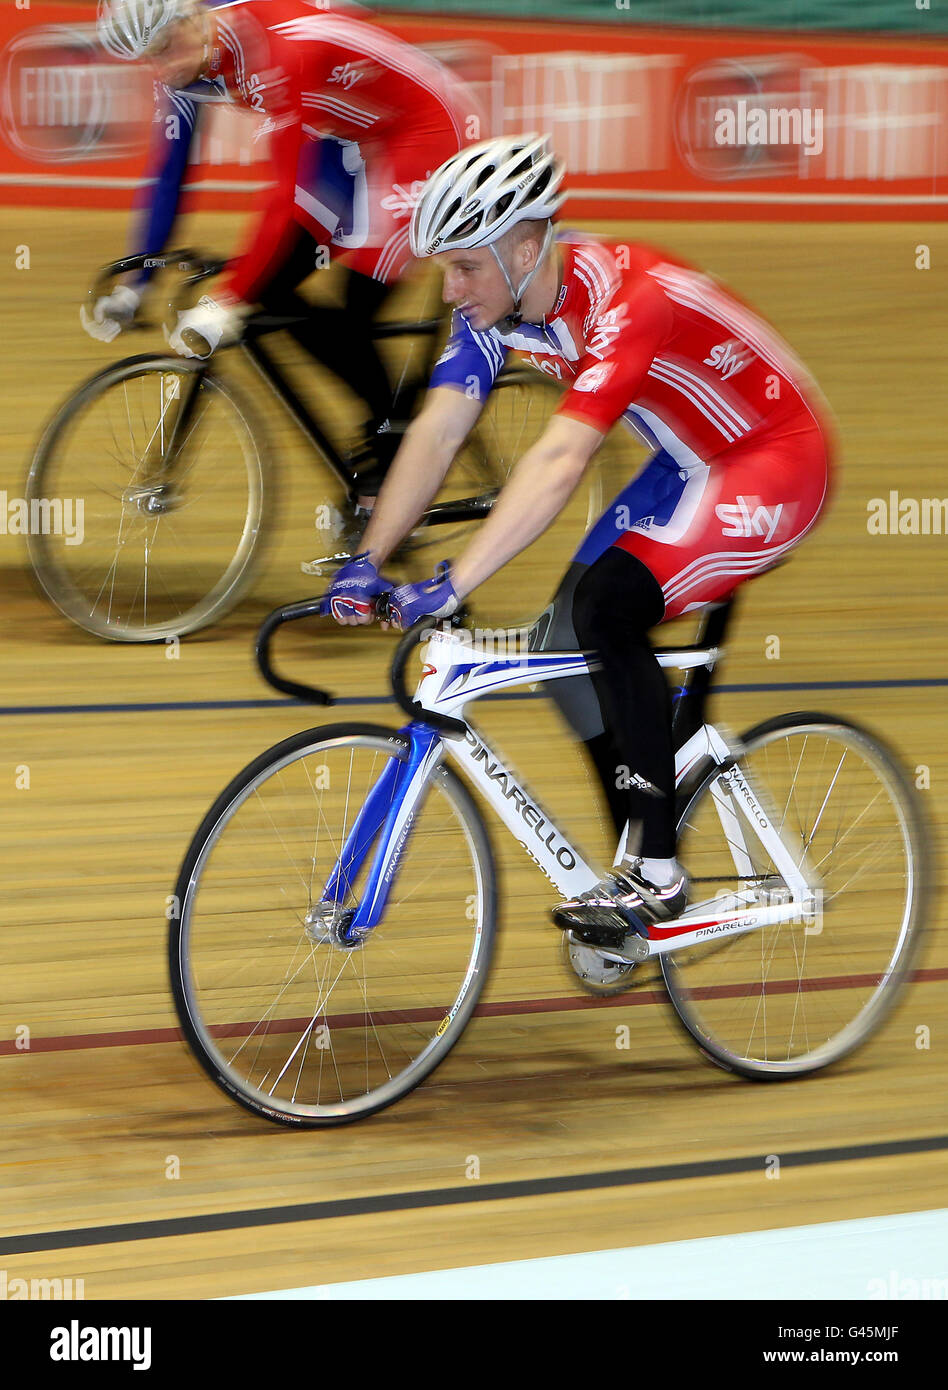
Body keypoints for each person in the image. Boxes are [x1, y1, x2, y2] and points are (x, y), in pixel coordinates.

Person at [324, 133, 835, 951]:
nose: (449, 289)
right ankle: (631, 861)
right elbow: (438, 428)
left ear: (528, 246)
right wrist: (368, 558)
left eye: (466, 267)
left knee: (604, 610)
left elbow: (562, 460)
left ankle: (657, 876)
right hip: (690, 461)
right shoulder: (499, 306)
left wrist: (451, 585)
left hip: (774, 460)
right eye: (444, 267)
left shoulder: (625, 296)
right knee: (565, 649)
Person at [85, 0, 484, 504]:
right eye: (149, 58)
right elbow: (171, 173)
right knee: (270, 292)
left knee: (356, 303)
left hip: (426, 129)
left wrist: (228, 298)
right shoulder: (190, 60)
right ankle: (388, 434)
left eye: (165, 47)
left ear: (193, 17)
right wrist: (136, 283)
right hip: (353, 139)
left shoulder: (274, 49)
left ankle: (396, 443)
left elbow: (284, 194)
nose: (163, 68)